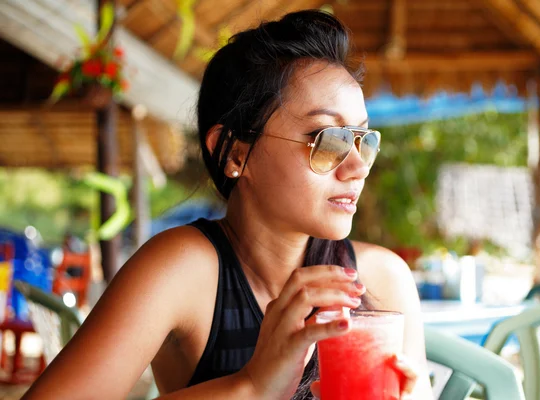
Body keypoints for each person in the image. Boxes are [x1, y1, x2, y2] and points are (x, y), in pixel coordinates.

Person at [22, 10, 433, 400]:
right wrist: (252, 386)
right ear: (236, 152)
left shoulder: (382, 280)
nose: (358, 167)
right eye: (328, 139)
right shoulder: (183, 271)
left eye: (362, 139)